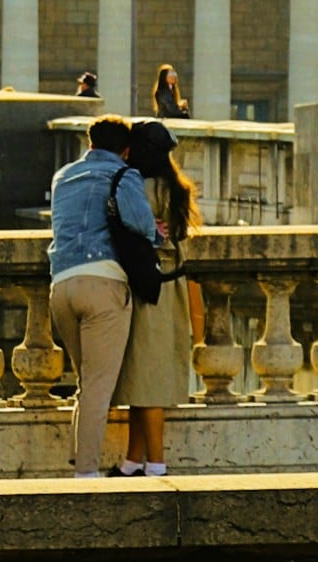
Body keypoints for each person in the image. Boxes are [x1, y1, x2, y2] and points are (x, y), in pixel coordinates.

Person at [47, 115, 156, 478]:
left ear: (89, 143)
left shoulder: (62, 175)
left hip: (61, 285)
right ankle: (86, 474)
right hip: (102, 283)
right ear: (125, 151)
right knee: (97, 387)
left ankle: (80, 459)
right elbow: (139, 222)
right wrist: (155, 231)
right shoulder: (124, 174)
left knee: (85, 383)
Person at [110, 119, 202, 478]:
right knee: (143, 376)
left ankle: (156, 463)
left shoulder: (139, 187)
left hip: (147, 287)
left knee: (147, 377)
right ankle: (133, 460)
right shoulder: (174, 188)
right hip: (169, 285)